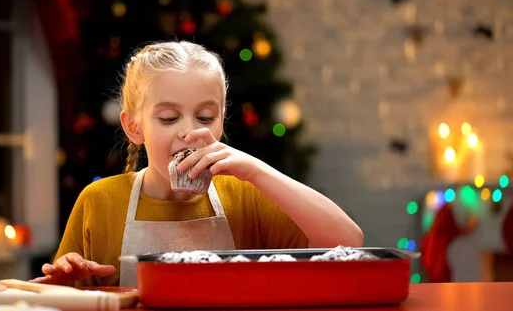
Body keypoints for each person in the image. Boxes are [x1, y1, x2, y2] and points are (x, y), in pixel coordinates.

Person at [30, 41, 363, 287]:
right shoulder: (99, 201)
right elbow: (58, 295)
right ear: (134, 127)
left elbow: (348, 242)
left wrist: (257, 170)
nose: (189, 131)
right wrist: (63, 284)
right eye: (169, 117)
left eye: (205, 116)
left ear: (220, 122)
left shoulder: (245, 194)